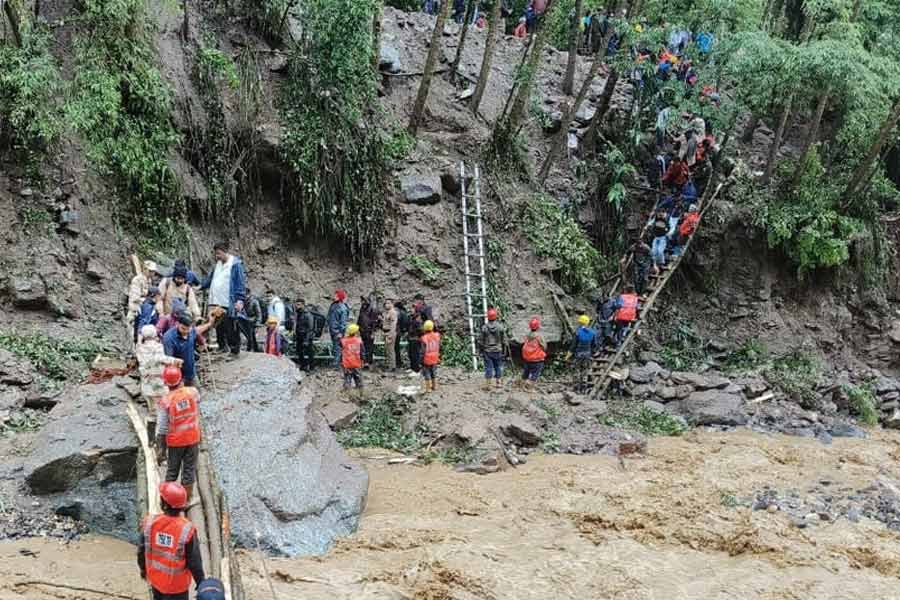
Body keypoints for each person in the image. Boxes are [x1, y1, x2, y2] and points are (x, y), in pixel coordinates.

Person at [138, 482, 205, 600]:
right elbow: (194, 562)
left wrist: (143, 570)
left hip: (156, 580)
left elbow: (141, 551)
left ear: (163, 503)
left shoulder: (149, 523)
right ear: (182, 506)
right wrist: (201, 582)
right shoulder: (187, 530)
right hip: (177, 588)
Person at [156, 366, 202, 504]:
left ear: (166, 383)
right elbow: (197, 400)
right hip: (193, 438)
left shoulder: (166, 401)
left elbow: (163, 428)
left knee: (172, 470)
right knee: (189, 469)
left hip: (175, 442)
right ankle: (187, 500)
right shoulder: (193, 392)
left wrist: (161, 449)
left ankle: (167, 500)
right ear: (180, 379)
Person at [200, 242, 246, 357]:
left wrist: (240, 299)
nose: (217, 256)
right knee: (218, 326)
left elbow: (240, 283)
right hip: (216, 301)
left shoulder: (235, 265)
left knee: (231, 326)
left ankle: (235, 350)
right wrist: (200, 286)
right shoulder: (218, 264)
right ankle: (222, 346)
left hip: (228, 301)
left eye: (219, 254)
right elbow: (211, 279)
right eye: (216, 254)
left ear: (225, 252)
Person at [135, 325, 183, 411]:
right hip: (159, 382)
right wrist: (174, 360)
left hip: (146, 382)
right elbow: (161, 358)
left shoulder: (139, 348)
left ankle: (152, 420)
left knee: (152, 407)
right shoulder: (158, 346)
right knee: (163, 406)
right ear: (154, 334)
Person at [163, 312, 216, 387]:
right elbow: (169, 360)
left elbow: (196, 333)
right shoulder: (169, 338)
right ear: (177, 324)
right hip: (178, 375)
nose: (186, 332)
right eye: (183, 329)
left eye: (188, 329)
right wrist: (177, 379)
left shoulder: (191, 331)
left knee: (197, 394)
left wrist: (202, 342)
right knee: (182, 397)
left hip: (191, 371)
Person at [127, 260, 160, 342]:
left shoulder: (149, 280)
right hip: (136, 308)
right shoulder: (137, 280)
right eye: (150, 271)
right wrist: (146, 299)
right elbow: (135, 297)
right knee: (132, 330)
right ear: (145, 269)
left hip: (146, 308)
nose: (152, 273)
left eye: (153, 272)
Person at [569, 314, 598, 393]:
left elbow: (573, 345)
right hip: (587, 354)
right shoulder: (593, 333)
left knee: (577, 370)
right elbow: (594, 345)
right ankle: (583, 388)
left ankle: (576, 388)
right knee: (585, 371)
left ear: (580, 323)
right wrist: (592, 353)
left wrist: (568, 355)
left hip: (578, 354)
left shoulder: (578, 332)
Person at [480, 308, 506, 390]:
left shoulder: (484, 327)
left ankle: (488, 385)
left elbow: (481, 340)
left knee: (489, 367)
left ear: (488, 317)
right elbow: (503, 339)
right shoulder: (500, 327)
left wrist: (481, 349)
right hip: (498, 350)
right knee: (498, 366)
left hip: (487, 351)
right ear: (496, 316)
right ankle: (498, 383)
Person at [520, 317, 546, 391]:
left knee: (526, 372)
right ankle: (530, 389)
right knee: (535, 374)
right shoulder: (539, 336)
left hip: (527, 359)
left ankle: (522, 386)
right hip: (537, 360)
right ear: (538, 326)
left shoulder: (527, 335)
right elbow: (544, 346)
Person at [327, 289, 350, 369]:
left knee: (338, 347)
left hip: (338, 331)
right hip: (333, 330)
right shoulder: (333, 305)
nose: (334, 296)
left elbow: (343, 322)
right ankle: (337, 362)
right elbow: (330, 317)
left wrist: (340, 332)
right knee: (335, 346)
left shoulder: (343, 308)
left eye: (336, 295)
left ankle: (336, 364)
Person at [357, 295, 380, 368]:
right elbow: (360, 319)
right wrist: (358, 328)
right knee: (363, 347)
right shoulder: (362, 309)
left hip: (369, 331)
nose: (362, 302)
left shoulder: (372, 309)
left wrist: (373, 332)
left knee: (369, 347)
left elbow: (375, 322)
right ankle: (364, 361)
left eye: (363, 300)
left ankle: (368, 362)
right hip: (362, 330)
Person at [293, 299, 316, 371]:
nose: (297, 306)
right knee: (299, 352)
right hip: (299, 335)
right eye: (296, 304)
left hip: (306, 336)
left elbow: (310, 328)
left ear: (303, 305)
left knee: (309, 352)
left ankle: (311, 367)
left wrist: (306, 339)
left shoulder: (307, 314)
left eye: (299, 304)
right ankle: (302, 366)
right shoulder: (298, 313)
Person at [341, 324, 364, 394]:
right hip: (357, 363)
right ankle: (360, 391)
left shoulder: (343, 341)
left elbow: (340, 348)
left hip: (347, 363)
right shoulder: (359, 341)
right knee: (358, 378)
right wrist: (363, 360)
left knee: (347, 378)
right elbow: (362, 352)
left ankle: (346, 392)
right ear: (356, 332)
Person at [420, 320, 441, 393]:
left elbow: (423, 350)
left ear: (424, 328)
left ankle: (428, 388)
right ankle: (434, 386)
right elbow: (439, 346)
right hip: (435, 357)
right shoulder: (437, 335)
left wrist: (421, 359)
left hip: (427, 358)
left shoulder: (424, 338)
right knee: (434, 372)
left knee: (427, 373)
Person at [239, 287, 261, 352]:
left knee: (251, 336)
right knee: (250, 336)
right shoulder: (243, 301)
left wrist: (257, 323)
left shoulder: (254, 301)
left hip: (252, 321)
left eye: (245, 294)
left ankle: (251, 349)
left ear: (248, 294)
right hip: (244, 320)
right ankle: (254, 349)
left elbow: (259, 313)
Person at [381, 300, 398, 372]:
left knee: (390, 350)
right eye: (386, 303)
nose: (386, 305)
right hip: (386, 332)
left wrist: (391, 335)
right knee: (387, 350)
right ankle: (389, 365)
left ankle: (392, 366)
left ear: (392, 304)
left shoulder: (392, 312)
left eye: (388, 303)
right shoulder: (387, 312)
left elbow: (393, 324)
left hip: (390, 333)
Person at [407, 307, 424, 373]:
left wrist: (416, 334)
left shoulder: (418, 319)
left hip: (416, 339)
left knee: (415, 355)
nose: (411, 310)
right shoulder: (411, 318)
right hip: (411, 338)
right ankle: (412, 368)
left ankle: (417, 370)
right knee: (411, 354)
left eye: (412, 309)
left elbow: (421, 330)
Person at [395, 301, 409, 370]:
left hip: (399, 332)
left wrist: (403, 331)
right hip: (404, 332)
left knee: (397, 348)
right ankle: (402, 363)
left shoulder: (399, 313)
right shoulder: (405, 312)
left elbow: (400, 322)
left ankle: (399, 363)